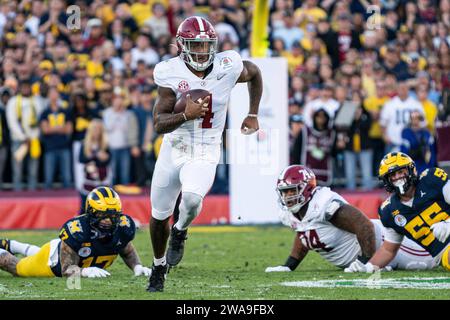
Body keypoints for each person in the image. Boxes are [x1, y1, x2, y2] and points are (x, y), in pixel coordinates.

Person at [148, 16, 262, 292]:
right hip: (175, 146)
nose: (201, 51)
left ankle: (181, 231)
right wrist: (185, 115)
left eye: (205, 45)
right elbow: (158, 122)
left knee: (190, 199)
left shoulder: (228, 64)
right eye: (195, 45)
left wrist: (252, 113)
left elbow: (255, 73)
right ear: (181, 45)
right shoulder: (169, 72)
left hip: (206, 148)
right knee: (159, 213)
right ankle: (158, 265)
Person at [265, 165, 435, 273]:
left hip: (382, 243)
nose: (287, 196)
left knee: (434, 258)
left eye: (292, 190)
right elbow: (304, 233)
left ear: (307, 188)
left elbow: (364, 225)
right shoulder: (290, 213)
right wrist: (289, 266)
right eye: (285, 192)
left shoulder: (322, 203)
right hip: (368, 251)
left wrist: (365, 261)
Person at [0, 186, 151, 278]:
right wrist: (84, 272)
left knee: (37, 253)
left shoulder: (123, 227)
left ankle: (11, 245)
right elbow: (66, 269)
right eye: (102, 215)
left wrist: (137, 267)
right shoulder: (77, 230)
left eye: (112, 215)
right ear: (91, 212)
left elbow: (128, 251)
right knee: (17, 267)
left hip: (68, 252)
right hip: (53, 262)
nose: (108, 220)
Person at [344, 152, 450, 273]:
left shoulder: (432, 180)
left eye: (401, 172)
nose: (398, 177)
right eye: (392, 175)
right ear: (386, 180)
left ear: (411, 170)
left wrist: (448, 223)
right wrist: (369, 266)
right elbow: (388, 250)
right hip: (444, 251)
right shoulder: (389, 210)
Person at [79, 119, 112, 213]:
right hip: (88, 183)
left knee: (104, 209)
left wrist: (101, 158)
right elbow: (81, 159)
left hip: (103, 181)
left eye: (99, 129)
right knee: (84, 209)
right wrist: (94, 157)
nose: (97, 131)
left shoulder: (105, 144)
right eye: (95, 129)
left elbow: (108, 160)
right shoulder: (85, 143)